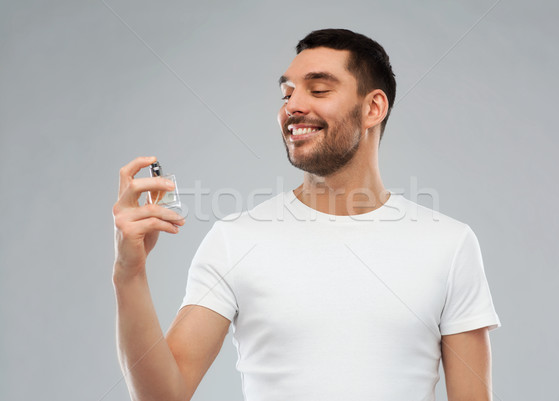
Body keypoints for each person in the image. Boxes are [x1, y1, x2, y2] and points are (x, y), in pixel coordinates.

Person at [112, 28, 501, 401]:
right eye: (287, 93)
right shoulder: (235, 241)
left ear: (373, 107)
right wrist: (129, 274)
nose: (293, 106)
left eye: (318, 90)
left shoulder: (449, 245)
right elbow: (163, 396)